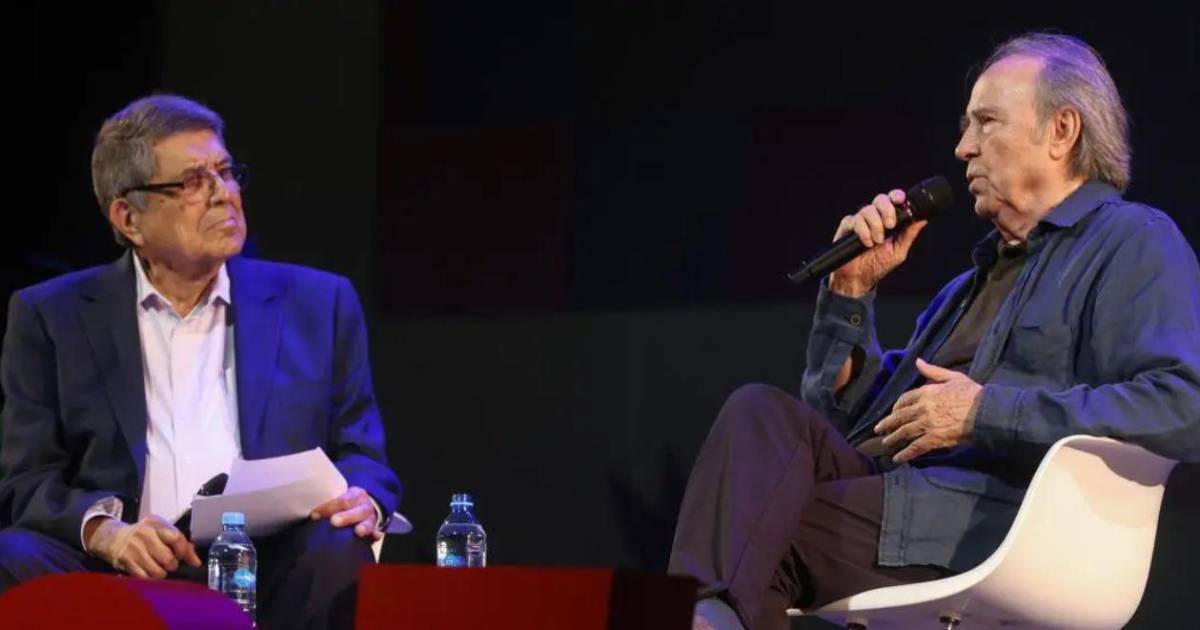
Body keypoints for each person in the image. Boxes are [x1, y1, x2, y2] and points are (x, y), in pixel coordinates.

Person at [669, 32, 1200, 630]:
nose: (963, 147)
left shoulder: (1132, 242)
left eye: (986, 122)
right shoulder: (965, 288)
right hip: (895, 497)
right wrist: (850, 292)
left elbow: (1182, 406)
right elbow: (846, 426)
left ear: (1062, 131)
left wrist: (982, 413)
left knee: (754, 533)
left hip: (993, 521)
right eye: (966, 126)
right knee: (759, 415)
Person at [0, 94, 402, 629]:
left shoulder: (318, 303)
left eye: (226, 172)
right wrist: (107, 532)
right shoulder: (51, 315)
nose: (224, 194)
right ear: (129, 217)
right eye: (193, 181)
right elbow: (28, 479)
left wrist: (363, 498)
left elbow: (362, 453)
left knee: (339, 543)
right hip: (119, 564)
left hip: (270, 560)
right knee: (13, 554)